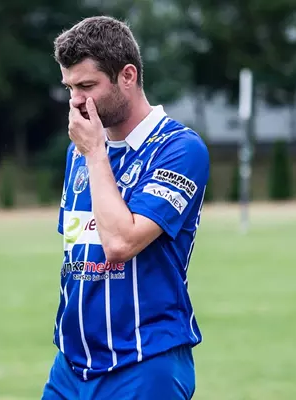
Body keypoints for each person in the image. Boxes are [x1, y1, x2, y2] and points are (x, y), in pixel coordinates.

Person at [42, 16, 209, 400]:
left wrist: (95, 153)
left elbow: (120, 243)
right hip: (71, 365)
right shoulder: (78, 152)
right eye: (70, 88)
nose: (76, 101)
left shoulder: (179, 149)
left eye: (87, 86)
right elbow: (79, 250)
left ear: (128, 76)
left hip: (143, 361)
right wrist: (90, 152)